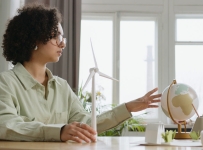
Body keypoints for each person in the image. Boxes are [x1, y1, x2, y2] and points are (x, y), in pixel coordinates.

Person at [0, 3, 161, 143]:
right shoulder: (5, 83)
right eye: (56, 36)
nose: (62, 43)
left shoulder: (61, 87)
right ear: (34, 39)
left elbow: (87, 124)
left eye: (63, 37)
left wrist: (128, 107)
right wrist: (59, 131)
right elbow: (6, 125)